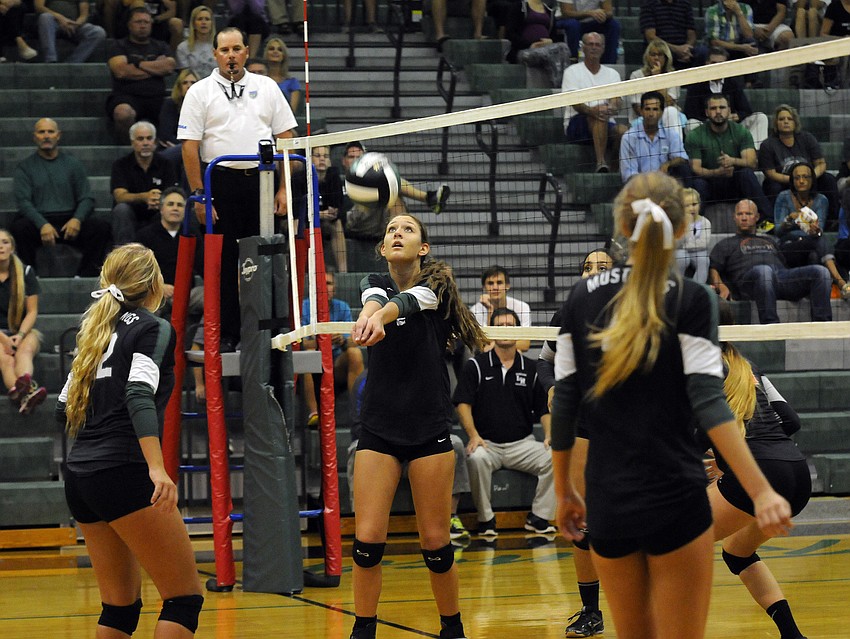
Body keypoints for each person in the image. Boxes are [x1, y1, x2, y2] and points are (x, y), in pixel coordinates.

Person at [550, 171, 792, 639]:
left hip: (610, 502)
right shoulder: (694, 298)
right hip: (676, 498)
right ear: (682, 229)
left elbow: (564, 407)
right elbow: (710, 403)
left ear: (622, 226)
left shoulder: (580, 298)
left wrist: (564, 493)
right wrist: (760, 490)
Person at [347, 213, 489, 639]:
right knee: (367, 543)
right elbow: (375, 298)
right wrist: (370, 314)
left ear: (422, 248)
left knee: (436, 545)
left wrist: (381, 317)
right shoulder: (374, 283)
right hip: (379, 428)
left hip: (429, 427)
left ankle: (453, 629)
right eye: (391, 229)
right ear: (382, 247)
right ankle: (363, 630)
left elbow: (409, 302)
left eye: (407, 229)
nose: (397, 233)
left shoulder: (438, 287)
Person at [57, 243, 204, 638]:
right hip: (124, 471)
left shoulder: (95, 330)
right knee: (183, 600)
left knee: (119, 607)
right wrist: (156, 468)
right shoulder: (153, 327)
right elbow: (139, 393)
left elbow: (62, 407)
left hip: (81, 476)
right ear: (154, 284)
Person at [179, 26, 297, 351]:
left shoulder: (267, 86)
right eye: (224, 50)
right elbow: (189, 147)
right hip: (220, 182)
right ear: (215, 54)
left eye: (236, 49)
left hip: (263, 181)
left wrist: (283, 189)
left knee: (267, 256)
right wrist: (200, 195)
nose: (230, 56)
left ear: (246, 51)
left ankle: (270, 331)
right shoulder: (199, 92)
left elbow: (286, 138)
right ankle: (229, 334)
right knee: (226, 262)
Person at [704, 329, 811, 639]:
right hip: (796, 471)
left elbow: (701, 428)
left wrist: (727, 459)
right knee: (737, 552)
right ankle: (793, 636)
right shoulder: (748, 366)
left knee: (673, 543)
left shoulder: (697, 366)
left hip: (758, 471)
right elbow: (791, 420)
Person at [537, 247, 612, 638]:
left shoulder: (633, 311)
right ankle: (591, 611)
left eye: (603, 266)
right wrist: (552, 387)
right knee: (582, 522)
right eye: (587, 267)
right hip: (583, 422)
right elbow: (543, 361)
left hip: (627, 425)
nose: (593, 272)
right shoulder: (567, 313)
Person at [454, 307, 555, 537]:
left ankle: (539, 517)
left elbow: (543, 409)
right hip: (487, 445)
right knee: (476, 459)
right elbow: (462, 403)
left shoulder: (532, 369)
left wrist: (549, 435)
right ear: (490, 331)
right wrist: (473, 436)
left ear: (519, 330)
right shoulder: (476, 365)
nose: (505, 329)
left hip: (522, 444)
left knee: (555, 455)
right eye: (499, 325)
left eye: (510, 325)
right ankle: (486, 520)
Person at [344, 368, 474, 541]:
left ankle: (451, 516)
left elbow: (443, 420)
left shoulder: (429, 372)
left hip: (422, 443)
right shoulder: (364, 380)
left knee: (454, 444)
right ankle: (363, 525)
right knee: (358, 449)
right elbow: (358, 424)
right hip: (382, 445)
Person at [12, 118, 111, 277]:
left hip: (69, 220)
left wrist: (77, 219)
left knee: (100, 228)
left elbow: (86, 198)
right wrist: (42, 224)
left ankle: (85, 276)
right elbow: (23, 202)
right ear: (34, 137)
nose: (46, 136)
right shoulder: (25, 167)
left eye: (50, 131)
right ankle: (30, 276)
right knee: (19, 228)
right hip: (39, 221)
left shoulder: (73, 164)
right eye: (41, 132)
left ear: (58, 135)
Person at [709, 198, 833, 323]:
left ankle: (823, 324)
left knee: (821, 272)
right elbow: (714, 268)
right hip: (750, 282)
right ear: (734, 217)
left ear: (757, 217)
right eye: (740, 214)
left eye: (748, 214)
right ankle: (771, 324)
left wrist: (813, 234)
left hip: (780, 277)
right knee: (764, 271)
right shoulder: (725, 244)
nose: (744, 218)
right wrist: (721, 286)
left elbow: (788, 258)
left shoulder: (770, 240)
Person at [685, 93, 773, 225]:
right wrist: (717, 172)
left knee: (746, 174)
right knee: (698, 184)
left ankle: (767, 222)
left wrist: (733, 161)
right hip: (710, 184)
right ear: (706, 112)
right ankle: (693, 226)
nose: (718, 112)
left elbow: (752, 162)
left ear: (729, 110)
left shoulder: (741, 131)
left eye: (722, 107)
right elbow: (696, 168)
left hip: (734, 183)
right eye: (713, 108)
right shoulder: (695, 135)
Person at [772, 162, 847, 297]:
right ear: (792, 180)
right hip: (788, 245)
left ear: (812, 179)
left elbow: (819, 229)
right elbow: (777, 231)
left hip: (811, 244)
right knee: (820, 241)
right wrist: (789, 219)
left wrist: (815, 230)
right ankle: (840, 282)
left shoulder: (821, 200)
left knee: (814, 254)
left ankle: (814, 297)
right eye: (797, 178)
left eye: (805, 177)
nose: (801, 181)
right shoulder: (783, 197)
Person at [301, 270, 365, 426]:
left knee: (355, 353)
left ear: (334, 288)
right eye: (321, 284)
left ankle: (359, 414)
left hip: (336, 366)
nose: (325, 288)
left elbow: (355, 341)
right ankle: (314, 413)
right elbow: (300, 343)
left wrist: (342, 340)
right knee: (308, 355)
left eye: (328, 283)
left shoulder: (342, 307)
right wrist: (323, 340)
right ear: (314, 288)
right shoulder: (304, 307)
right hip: (312, 371)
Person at [106, 7, 176, 143]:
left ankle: (165, 146)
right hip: (126, 96)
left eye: (146, 22)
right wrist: (155, 68)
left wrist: (137, 64)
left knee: (178, 107)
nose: (143, 25)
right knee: (122, 112)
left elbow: (169, 67)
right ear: (129, 25)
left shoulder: (161, 46)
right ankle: (128, 147)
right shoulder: (118, 45)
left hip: (157, 97)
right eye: (138, 22)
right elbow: (121, 71)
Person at [758, 104, 840, 220]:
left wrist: (809, 177)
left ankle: (833, 220)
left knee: (828, 179)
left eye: (789, 119)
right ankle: (774, 221)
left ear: (795, 122)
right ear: (776, 123)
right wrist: (795, 179)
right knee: (772, 186)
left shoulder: (807, 138)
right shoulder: (767, 144)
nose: (786, 122)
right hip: (783, 181)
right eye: (781, 119)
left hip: (809, 179)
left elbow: (821, 163)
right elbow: (770, 173)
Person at [560, 32, 626, 174]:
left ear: (603, 48)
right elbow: (574, 102)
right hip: (577, 123)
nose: (594, 48)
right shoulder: (571, 72)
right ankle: (601, 162)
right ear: (583, 47)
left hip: (605, 120)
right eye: (590, 44)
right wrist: (592, 111)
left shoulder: (612, 74)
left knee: (623, 132)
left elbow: (617, 100)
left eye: (597, 45)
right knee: (597, 117)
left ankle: (614, 168)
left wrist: (611, 107)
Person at [136, 187, 205, 320]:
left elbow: (204, 266)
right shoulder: (144, 235)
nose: (175, 208)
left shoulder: (193, 235)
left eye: (180, 205)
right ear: (161, 209)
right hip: (155, 294)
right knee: (145, 305)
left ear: (185, 211)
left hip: (187, 295)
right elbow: (138, 272)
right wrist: (159, 287)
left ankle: (200, 335)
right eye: (170, 204)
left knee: (215, 297)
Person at [683, 47, 768, 148]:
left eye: (720, 64)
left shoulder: (733, 83)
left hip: (731, 128)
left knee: (760, 117)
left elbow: (746, 110)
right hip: (707, 130)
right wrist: (713, 118)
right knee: (691, 124)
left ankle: (753, 153)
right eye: (713, 63)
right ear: (707, 64)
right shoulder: (696, 85)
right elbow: (690, 114)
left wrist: (737, 116)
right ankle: (705, 154)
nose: (717, 67)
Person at [0, 229, 46, 416]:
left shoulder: (25, 272)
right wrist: (4, 339)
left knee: (25, 351)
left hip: (22, 330)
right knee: (6, 359)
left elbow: (32, 311)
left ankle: (21, 392)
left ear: (12, 247)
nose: (0, 247)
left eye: (5, 242)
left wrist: (19, 335)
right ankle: (28, 393)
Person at [111, 120, 180, 246]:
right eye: (140, 139)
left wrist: (158, 200)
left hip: (157, 211)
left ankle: (163, 254)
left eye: (149, 138)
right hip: (131, 213)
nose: (145, 143)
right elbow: (119, 196)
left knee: (170, 209)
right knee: (121, 209)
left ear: (155, 142)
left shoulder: (166, 164)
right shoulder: (120, 165)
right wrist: (144, 197)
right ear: (132, 142)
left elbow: (172, 194)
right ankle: (124, 254)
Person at [619, 91, 690, 184]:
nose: (651, 114)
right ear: (641, 111)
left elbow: (682, 158)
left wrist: (668, 164)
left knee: (684, 170)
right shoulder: (629, 138)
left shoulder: (670, 134)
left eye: (655, 109)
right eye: (647, 109)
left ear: (662, 112)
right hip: (639, 186)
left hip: (665, 185)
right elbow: (629, 174)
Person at [504, 0, 571, 89]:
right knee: (560, 50)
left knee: (562, 48)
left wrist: (550, 41)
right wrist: (530, 45)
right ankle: (561, 86)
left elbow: (554, 36)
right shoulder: (519, 7)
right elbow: (510, 33)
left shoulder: (549, 11)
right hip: (525, 51)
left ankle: (562, 84)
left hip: (546, 49)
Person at [626, 40, 685, 138]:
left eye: (660, 55)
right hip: (643, 117)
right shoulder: (636, 75)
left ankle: (676, 146)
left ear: (666, 58)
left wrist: (657, 79)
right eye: (653, 54)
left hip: (667, 117)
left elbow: (669, 103)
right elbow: (637, 108)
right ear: (647, 57)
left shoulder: (673, 76)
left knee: (671, 111)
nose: (656, 58)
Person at [470, 264, 532, 352]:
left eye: (499, 283)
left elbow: (525, 345)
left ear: (507, 286)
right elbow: (483, 346)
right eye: (490, 283)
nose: (495, 287)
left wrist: (495, 344)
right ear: (484, 287)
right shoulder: (475, 311)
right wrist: (490, 310)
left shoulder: (522, 307)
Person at [310, 145, 347, 272]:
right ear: (310, 158)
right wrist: (319, 214)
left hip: (325, 222)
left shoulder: (334, 177)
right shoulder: (300, 177)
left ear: (330, 161)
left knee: (337, 225)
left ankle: (343, 273)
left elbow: (337, 209)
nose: (322, 159)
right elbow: (297, 212)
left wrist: (332, 213)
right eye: (317, 156)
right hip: (305, 221)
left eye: (325, 156)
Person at [639, 0, 704, 69]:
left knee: (702, 52)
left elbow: (692, 34)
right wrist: (677, 50)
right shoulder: (649, 4)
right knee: (661, 54)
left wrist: (686, 50)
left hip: (684, 48)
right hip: (662, 47)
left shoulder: (685, 4)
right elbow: (651, 37)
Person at [158, 68, 198, 179]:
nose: (189, 86)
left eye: (193, 83)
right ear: (179, 87)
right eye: (185, 83)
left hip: (195, 150)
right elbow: (165, 136)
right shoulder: (170, 104)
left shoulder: (204, 106)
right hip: (173, 148)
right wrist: (183, 146)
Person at [35, 0, 106, 63]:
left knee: (98, 32)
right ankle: (51, 60)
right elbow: (39, 7)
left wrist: (76, 24)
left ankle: (73, 63)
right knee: (45, 17)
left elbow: (84, 15)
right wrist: (61, 18)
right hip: (52, 23)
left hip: (73, 25)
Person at [557, 0, 620, 64]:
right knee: (573, 25)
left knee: (613, 25)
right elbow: (566, 13)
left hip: (593, 21)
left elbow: (609, 11)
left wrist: (602, 15)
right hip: (569, 20)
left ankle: (609, 62)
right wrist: (589, 13)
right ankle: (572, 60)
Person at [676, 187, 711, 283]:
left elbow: (703, 243)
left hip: (698, 251)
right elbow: (677, 244)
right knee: (681, 257)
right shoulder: (678, 223)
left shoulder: (705, 222)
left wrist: (685, 246)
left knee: (704, 259)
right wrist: (687, 225)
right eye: (687, 206)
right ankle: (678, 284)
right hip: (680, 251)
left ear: (700, 204)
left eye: (694, 204)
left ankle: (698, 286)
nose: (691, 208)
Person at [263, 36, 302, 116]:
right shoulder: (260, 80)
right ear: (266, 54)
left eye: (280, 50)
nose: (275, 51)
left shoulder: (292, 82)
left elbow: (291, 112)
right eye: (271, 49)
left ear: (284, 55)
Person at [175, 5, 215, 78]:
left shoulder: (220, 46)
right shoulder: (183, 48)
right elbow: (184, 76)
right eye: (200, 19)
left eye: (207, 19)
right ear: (193, 24)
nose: (204, 22)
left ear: (212, 23)